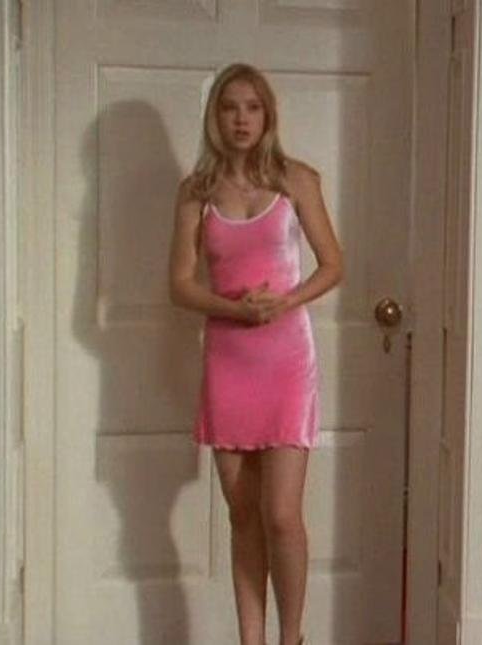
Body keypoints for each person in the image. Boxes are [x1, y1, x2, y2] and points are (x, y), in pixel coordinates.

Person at [168, 62, 343, 645]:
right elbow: (179, 285)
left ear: (268, 115)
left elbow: (334, 265)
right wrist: (235, 309)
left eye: (252, 107)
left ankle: (291, 638)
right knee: (242, 516)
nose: (241, 119)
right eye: (229, 107)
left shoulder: (297, 180)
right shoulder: (195, 192)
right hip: (228, 359)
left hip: (287, 360)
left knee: (282, 515)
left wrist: (286, 300)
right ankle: (252, 639)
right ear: (214, 117)